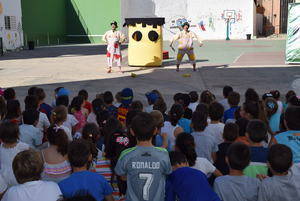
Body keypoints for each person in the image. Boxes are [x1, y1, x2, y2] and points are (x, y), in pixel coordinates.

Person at [115, 112, 172, 201]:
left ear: (132, 132)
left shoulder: (126, 154)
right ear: (155, 131)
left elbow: (122, 176)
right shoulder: (163, 154)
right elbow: (167, 172)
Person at [0, 122, 30, 186]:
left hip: (3, 177)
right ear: (17, 134)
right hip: (19, 176)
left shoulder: (1, 147)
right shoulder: (23, 146)